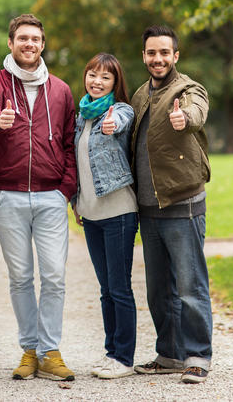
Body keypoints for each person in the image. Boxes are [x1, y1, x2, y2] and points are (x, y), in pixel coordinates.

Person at [0, 14, 77, 382]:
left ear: (43, 44)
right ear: (10, 43)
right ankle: (29, 351)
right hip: (9, 195)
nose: (29, 44)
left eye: (35, 39)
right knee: (20, 277)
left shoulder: (61, 90)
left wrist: (65, 188)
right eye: (22, 38)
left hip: (51, 196)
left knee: (54, 277)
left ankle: (50, 352)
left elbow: (70, 142)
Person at [130, 25, 212, 384]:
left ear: (175, 56)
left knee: (189, 287)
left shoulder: (188, 89)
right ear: (144, 56)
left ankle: (198, 355)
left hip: (183, 203)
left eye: (165, 52)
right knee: (158, 289)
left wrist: (185, 118)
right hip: (149, 208)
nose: (158, 59)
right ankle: (170, 354)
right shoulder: (138, 95)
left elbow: (197, 111)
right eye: (152, 53)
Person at [71, 53, 138, 379]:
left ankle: (124, 358)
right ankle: (111, 352)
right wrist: (78, 202)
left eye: (105, 77)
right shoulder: (81, 115)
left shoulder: (119, 110)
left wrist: (113, 125)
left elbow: (121, 122)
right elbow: (78, 165)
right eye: (92, 74)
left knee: (119, 288)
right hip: (91, 213)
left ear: (115, 83)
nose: (97, 81)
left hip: (119, 212)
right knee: (105, 288)